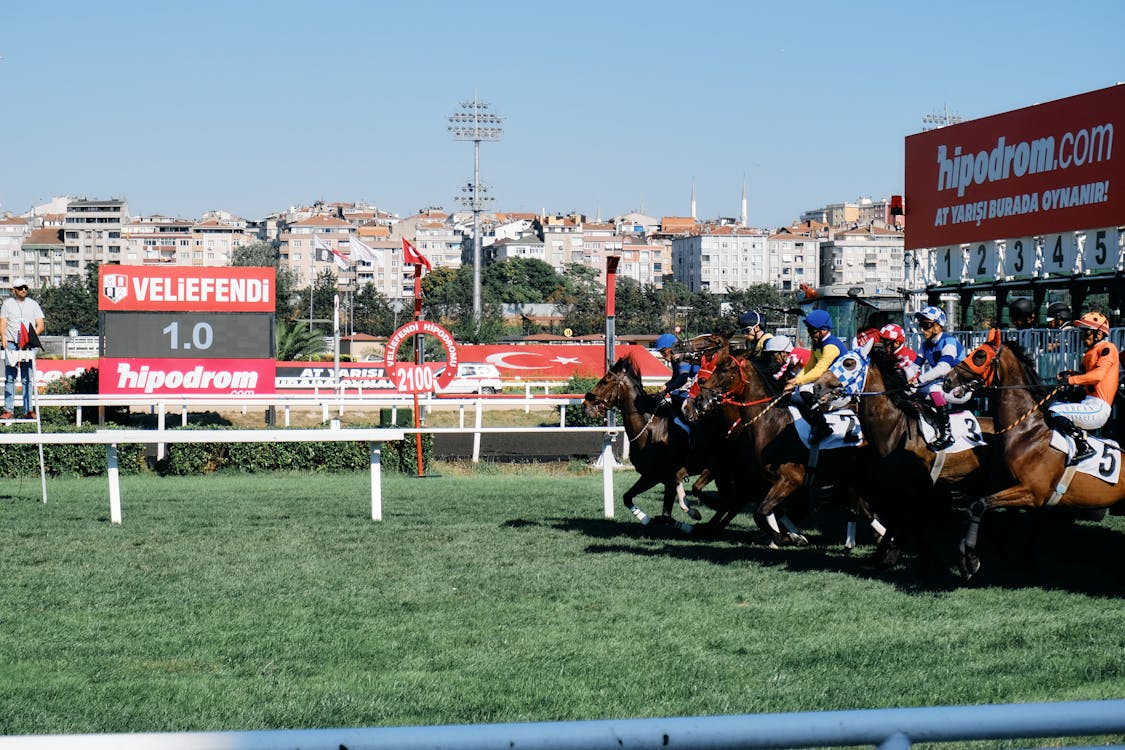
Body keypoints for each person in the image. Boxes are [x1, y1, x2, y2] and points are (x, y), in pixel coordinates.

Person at [1046, 311, 1119, 465]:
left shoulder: (1108, 348)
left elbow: (1098, 376)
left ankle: (1083, 446)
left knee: (1055, 411)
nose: (1082, 335)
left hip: (1098, 408)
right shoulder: (1091, 352)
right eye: (1081, 332)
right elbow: (1089, 377)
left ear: (1099, 334)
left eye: (1086, 332)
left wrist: (1071, 380)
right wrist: (1071, 374)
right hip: (1088, 403)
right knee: (1052, 406)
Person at [784, 309, 845, 443]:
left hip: (840, 385)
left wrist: (796, 382)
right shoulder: (817, 343)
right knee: (795, 396)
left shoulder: (831, 346)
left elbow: (818, 371)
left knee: (805, 390)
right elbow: (810, 366)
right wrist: (794, 380)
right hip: (826, 381)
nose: (810, 333)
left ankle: (823, 427)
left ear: (823, 330)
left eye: (811, 330)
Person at [912, 306, 964, 450]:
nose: (923, 329)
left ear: (938, 326)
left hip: (959, 385)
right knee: (912, 392)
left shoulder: (949, 341)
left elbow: (944, 368)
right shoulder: (925, 345)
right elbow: (914, 366)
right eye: (921, 325)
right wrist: (906, 379)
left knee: (934, 389)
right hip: (944, 383)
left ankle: (947, 433)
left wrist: (919, 380)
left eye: (926, 325)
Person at [0, 278, 45, 420]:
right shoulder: (7, 304)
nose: (23, 290)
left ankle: (28, 410)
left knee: (27, 378)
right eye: (20, 288)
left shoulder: (33, 304)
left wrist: (31, 337)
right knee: (10, 377)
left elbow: (40, 325)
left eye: (25, 287)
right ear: (14, 290)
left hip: (28, 344)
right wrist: (3, 337)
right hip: (12, 343)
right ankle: (8, 410)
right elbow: (3, 323)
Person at [654, 332, 698, 410]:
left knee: (681, 397)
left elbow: (683, 379)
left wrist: (666, 390)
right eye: (660, 352)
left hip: (701, 385)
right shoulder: (674, 360)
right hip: (692, 384)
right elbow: (675, 378)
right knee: (675, 396)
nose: (662, 355)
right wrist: (666, 386)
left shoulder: (683, 355)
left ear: (671, 349)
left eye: (663, 351)